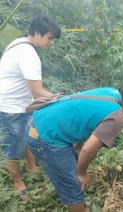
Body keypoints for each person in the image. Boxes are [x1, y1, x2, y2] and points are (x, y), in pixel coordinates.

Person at [25, 82, 123, 212]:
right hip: (45, 136)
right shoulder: (116, 117)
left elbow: (86, 116)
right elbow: (88, 149)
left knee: (71, 172)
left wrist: (78, 148)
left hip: (38, 119)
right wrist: (82, 173)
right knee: (74, 186)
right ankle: (75, 203)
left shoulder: (111, 92)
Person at [0, 14, 61, 198]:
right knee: (13, 147)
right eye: (50, 38)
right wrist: (62, 99)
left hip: (19, 103)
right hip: (12, 107)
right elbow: (39, 92)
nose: (52, 43)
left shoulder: (19, 42)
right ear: (37, 33)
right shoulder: (28, 54)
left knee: (27, 137)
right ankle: (17, 183)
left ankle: (32, 168)